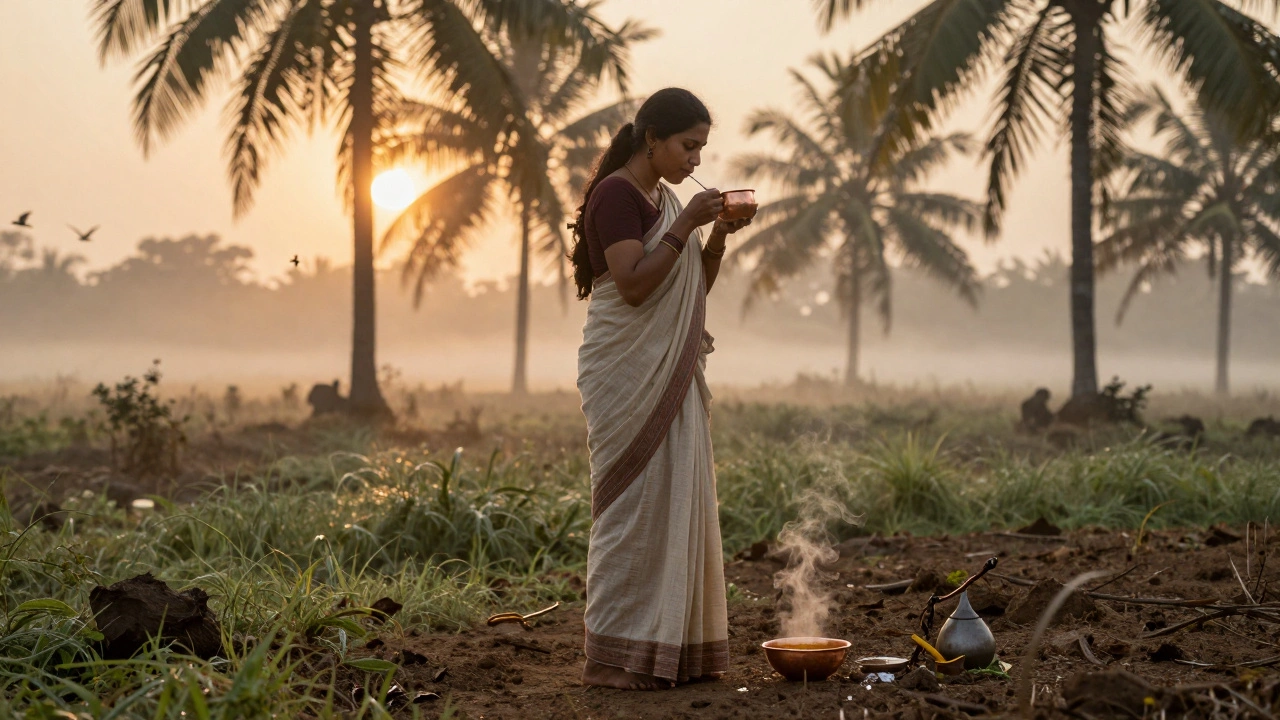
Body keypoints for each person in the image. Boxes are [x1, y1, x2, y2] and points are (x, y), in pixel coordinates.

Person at [569, 88, 751, 690]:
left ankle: (665, 650)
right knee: (630, 509)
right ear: (652, 138)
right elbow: (633, 287)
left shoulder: (666, 199)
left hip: (663, 369)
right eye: (687, 145)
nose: (695, 159)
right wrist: (688, 222)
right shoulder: (617, 194)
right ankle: (610, 661)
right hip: (625, 371)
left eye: (702, 147)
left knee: (671, 499)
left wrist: (717, 233)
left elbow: (690, 287)